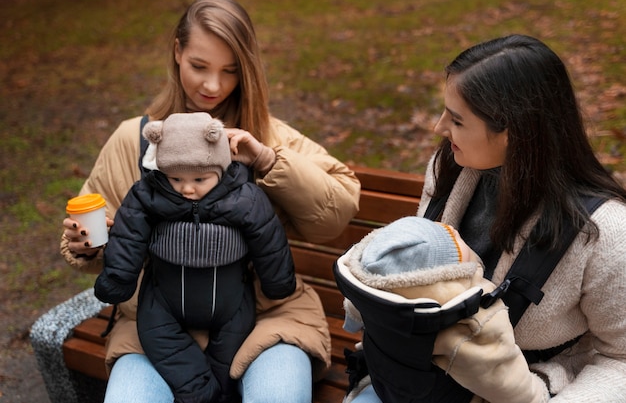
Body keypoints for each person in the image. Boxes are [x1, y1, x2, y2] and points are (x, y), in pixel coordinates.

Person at [60, 0, 360, 403]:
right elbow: (101, 238)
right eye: (199, 66)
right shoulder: (134, 137)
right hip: (155, 328)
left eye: (230, 71)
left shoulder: (265, 135)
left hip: (266, 318)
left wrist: (269, 162)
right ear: (177, 52)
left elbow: (334, 215)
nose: (213, 86)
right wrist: (88, 245)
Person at [348, 34, 626, 402]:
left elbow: (620, 358)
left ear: (513, 131)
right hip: (423, 380)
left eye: (457, 120)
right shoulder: (447, 168)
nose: (439, 128)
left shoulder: (604, 233)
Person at [94, 111, 297, 403]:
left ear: (220, 169)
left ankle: (218, 392)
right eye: (175, 178)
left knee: (229, 356)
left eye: (200, 178)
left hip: (232, 302)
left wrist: (278, 282)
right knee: (158, 338)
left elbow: (269, 239)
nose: (187, 188)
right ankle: (201, 394)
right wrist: (118, 279)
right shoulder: (147, 195)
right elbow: (128, 236)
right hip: (163, 302)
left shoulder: (244, 197)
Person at [335, 216, 548, 403]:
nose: (453, 229)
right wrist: (536, 396)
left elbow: (354, 313)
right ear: (446, 270)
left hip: (388, 382)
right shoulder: (472, 316)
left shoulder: (379, 291)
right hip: (438, 395)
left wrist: (351, 326)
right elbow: (498, 374)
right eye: (451, 240)